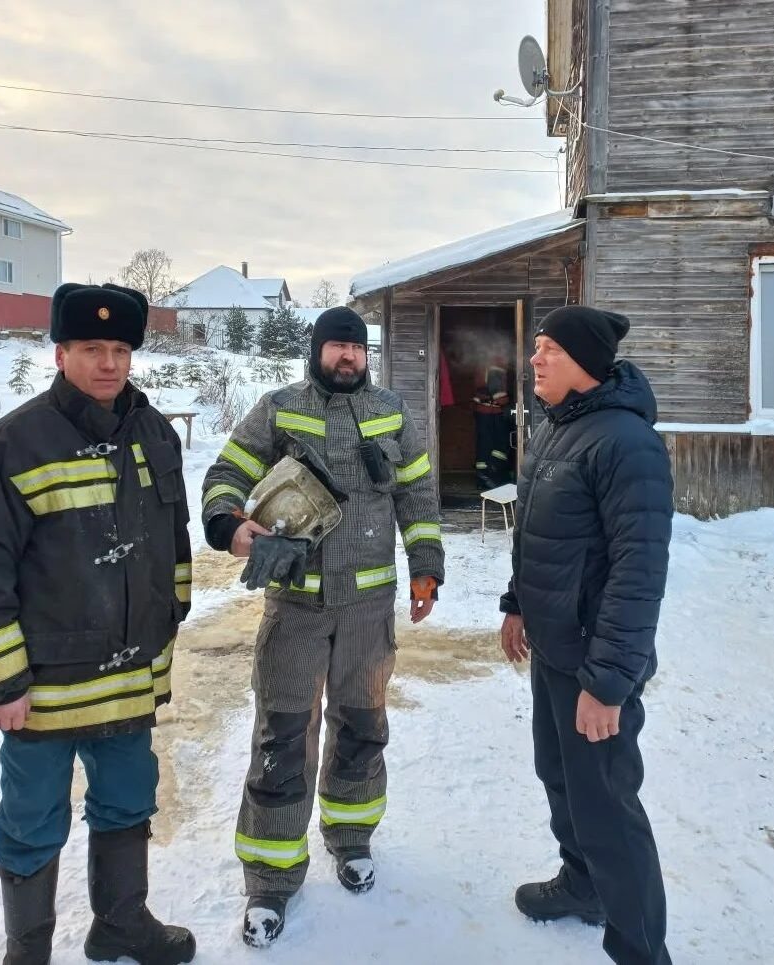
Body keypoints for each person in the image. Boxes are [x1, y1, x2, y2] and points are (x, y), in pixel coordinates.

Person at [201, 306, 444, 948]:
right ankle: (271, 878)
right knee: (282, 734)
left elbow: (417, 494)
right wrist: (233, 527)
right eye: (336, 346)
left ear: (367, 355)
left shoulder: (391, 410)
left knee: (362, 726)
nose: (347, 357)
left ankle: (352, 837)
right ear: (316, 351)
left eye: (356, 348)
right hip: (296, 606)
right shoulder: (279, 407)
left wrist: (426, 567)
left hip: (370, 606)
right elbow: (226, 475)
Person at [0, 283, 196, 964]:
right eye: (90, 348)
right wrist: (3, 679)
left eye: (118, 349)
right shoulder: (13, 443)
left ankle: (119, 924)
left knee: (127, 802)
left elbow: (175, 547)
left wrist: (164, 642)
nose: (107, 362)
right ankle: (28, 949)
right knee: (30, 822)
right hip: (44, 687)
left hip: (129, 676)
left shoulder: (155, 432)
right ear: (60, 352)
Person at [499, 305, 673, 965]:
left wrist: (606, 684)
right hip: (553, 651)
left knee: (607, 810)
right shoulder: (555, 428)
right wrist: (517, 602)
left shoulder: (625, 442)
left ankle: (639, 950)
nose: (534, 359)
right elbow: (540, 533)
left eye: (546, 348)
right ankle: (581, 885)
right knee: (559, 777)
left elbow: (638, 574)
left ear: (582, 362)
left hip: (593, 665)